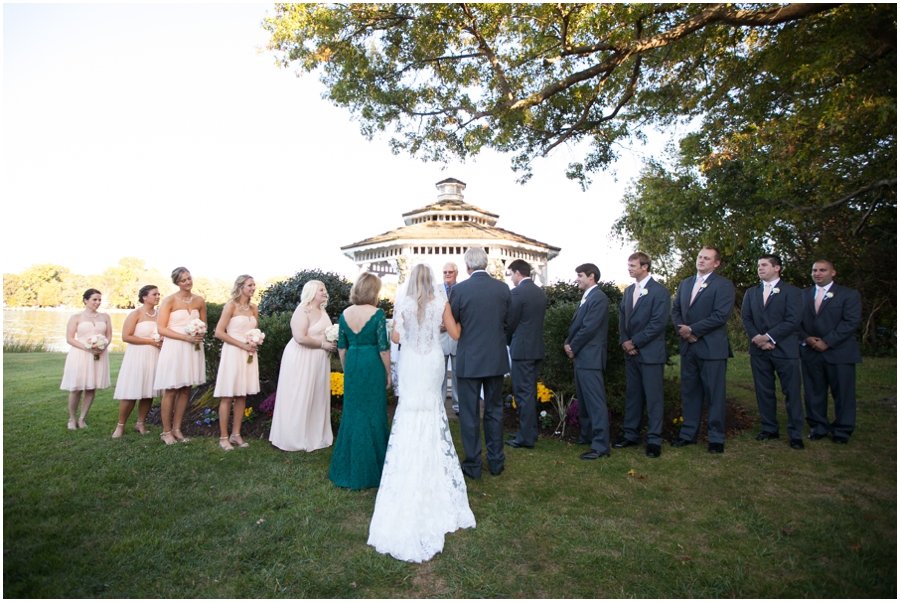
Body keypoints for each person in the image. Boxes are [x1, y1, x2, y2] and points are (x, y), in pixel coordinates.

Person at [367, 263, 475, 562]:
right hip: (432, 362)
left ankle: (408, 459)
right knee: (431, 410)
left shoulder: (403, 302)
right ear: (432, 282)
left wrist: (416, 332)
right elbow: (454, 333)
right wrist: (453, 324)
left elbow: (397, 338)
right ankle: (432, 464)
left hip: (412, 360)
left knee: (409, 411)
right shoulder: (441, 301)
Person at [450, 247, 511, 478]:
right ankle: (496, 462)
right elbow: (509, 322)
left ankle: (473, 465)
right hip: (495, 358)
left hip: (469, 360)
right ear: (485, 264)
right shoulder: (503, 288)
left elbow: (454, 322)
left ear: (467, 266)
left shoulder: (460, 289)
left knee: (469, 413)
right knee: (495, 410)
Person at [329, 273, 392, 489]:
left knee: (353, 412)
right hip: (372, 363)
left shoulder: (345, 313)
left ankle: (348, 464)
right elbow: (383, 349)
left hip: (354, 362)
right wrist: (389, 372)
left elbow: (341, 347)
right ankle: (375, 466)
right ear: (373, 291)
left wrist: (347, 370)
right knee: (373, 411)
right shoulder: (378, 314)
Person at [671, 247, 735, 454]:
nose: (701, 260)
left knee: (714, 394)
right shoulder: (685, 283)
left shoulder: (723, 285)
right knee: (690, 392)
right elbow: (676, 310)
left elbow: (720, 315)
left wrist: (693, 329)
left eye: (707, 258)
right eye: (700, 257)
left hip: (711, 348)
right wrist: (684, 332)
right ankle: (688, 434)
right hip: (689, 347)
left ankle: (716, 437)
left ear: (716, 263)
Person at [741, 254, 805, 449]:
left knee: (791, 392)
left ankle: (795, 434)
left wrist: (768, 337)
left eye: (764, 265)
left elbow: (793, 321)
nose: (760, 268)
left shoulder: (792, 292)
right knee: (764, 391)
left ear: (777, 268)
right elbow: (746, 318)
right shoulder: (751, 293)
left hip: (784, 350)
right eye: (758, 265)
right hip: (759, 351)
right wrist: (758, 340)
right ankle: (769, 428)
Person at [798, 260, 862, 444]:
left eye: (822, 270)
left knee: (843, 393)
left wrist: (828, 342)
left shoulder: (848, 295)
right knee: (813, 392)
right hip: (810, 352)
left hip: (839, 352)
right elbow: (794, 321)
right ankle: (818, 427)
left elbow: (850, 322)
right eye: (814, 270)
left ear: (833, 272)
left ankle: (842, 430)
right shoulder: (802, 295)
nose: (817, 273)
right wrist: (806, 338)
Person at [269, 280, 337, 452]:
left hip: (319, 359)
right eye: (321, 289)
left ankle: (314, 435)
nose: (325, 292)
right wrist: (323, 345)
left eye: (325, 289)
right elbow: (300, 337)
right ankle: (294, 437)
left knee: (316, 395)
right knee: (299, 394)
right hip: (302, 357)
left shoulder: (322, 310)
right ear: (312, 292)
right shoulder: (302, 311)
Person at [616, 253, 670, 458]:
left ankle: (654, 440)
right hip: (631, 353)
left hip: (650, 353)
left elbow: (658, 323)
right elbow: (622, 317)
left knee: (654, 398)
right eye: (628, 265)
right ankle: (631, 435)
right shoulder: (629, 291)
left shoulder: (660, 292)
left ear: (645, 267)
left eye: (633, 265)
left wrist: (635, 342)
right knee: (633, 395)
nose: (629, 268)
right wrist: (625, 341)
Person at [153, 267, 207, 445]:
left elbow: (204, 324)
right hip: (175, 346)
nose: (188, 282)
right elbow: (161, 328)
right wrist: (185, 336)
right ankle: (166, 431)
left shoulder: (199, 300)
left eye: (189, 278)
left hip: (193, 348)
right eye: (183, 280)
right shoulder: (169, 301)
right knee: (171, 388)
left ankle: (177, 428)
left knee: (186, 388)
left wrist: (200, 333)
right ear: (177, 283)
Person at [565, 264, 610, 460]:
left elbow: (589, 327)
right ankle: (587, 435)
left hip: (590, 358)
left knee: (595, 402)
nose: (577, 279)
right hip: (583, 357)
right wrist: (568, 342)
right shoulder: (587, 297)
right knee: (583, 400)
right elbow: (577, 326)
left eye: (580, 276)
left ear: (591, 277)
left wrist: (572, 346)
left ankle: (600, 445)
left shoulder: (598, 298)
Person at [214, 275, 261, 451]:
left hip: (249, 354)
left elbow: (254, 330)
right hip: (233, 352)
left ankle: (236, 434)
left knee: (242, 395)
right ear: (240, 287)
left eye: (254, 285)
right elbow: (219, 332)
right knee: (229, 395)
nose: (253, 288)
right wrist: (242, 344)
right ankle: (223, 437)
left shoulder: (254, 308)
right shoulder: (231, 306)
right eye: (250, 285)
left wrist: (255, 341)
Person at [504, 259, 547, 449]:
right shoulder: (540, 292)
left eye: (511, 274)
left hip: (522, 349)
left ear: (517, 273)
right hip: (536, 347)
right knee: (529, 392)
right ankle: (530, 430)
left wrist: (506, 340)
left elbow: (511, 321)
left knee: (523, 394)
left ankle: (525, 437)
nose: (511, 278)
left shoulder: (517, 293)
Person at [112, 285, 162, 438]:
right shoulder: (135, 314)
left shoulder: (160, 315)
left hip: (155, 355)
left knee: (148, 392)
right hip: (137, 355)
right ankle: (120, 426)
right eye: (154, 294)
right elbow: (126, 337)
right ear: (145, 297)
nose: (158, 296)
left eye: (159, 294)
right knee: (130, 391)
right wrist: (150, 341)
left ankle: (140, 423)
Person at [60, 288, 112, 430]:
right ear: (85, 300)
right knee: (76, 388)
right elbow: (70, 339)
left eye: (99, 300)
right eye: (94, 299)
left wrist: (103, 345)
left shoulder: (105, 317)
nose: (97, 302)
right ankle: (72, 418)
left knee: (91, 387)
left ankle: (82, 418)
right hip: (80, 354)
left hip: (98, 354)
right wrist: (87, 348)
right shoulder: (76, 318)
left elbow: (109, 336)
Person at [439, 262, 460, 414]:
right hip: (440, 338)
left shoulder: (462, 289)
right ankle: (439, 406)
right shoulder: (436, 290)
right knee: (440, 375)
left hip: (457, 338)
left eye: (450, 272)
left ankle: (457, 406)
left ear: (456, 273)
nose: (447, 274)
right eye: (445, 272)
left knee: (458, 376)